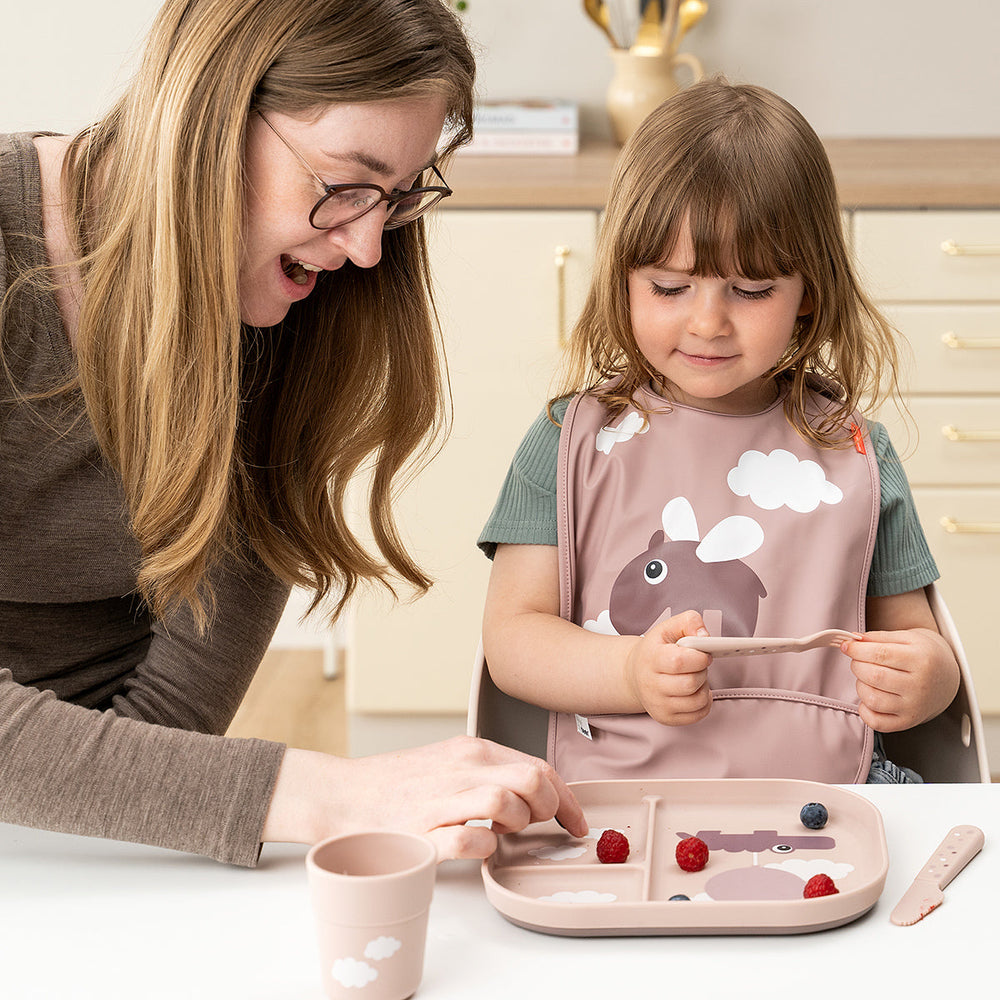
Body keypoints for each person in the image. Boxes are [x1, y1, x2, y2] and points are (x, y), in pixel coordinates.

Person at [0, 0, 587, 868]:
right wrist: (333, 792)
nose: (365, 249)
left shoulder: (285, 325)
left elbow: (169, 719)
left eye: (393, 199)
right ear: (213, 107)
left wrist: (80, 820)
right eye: (343, 182)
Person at [479, 79, 961, 785]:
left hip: (829, 803)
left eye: (753, 290)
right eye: (670, 289)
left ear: (809, 295)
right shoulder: (567, 442)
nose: (707, 322)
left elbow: (918, 639)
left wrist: (929, 677)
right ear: (622, 282)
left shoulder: (858, 454)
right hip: (618, 802)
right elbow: (513, 641)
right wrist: (631, 673)